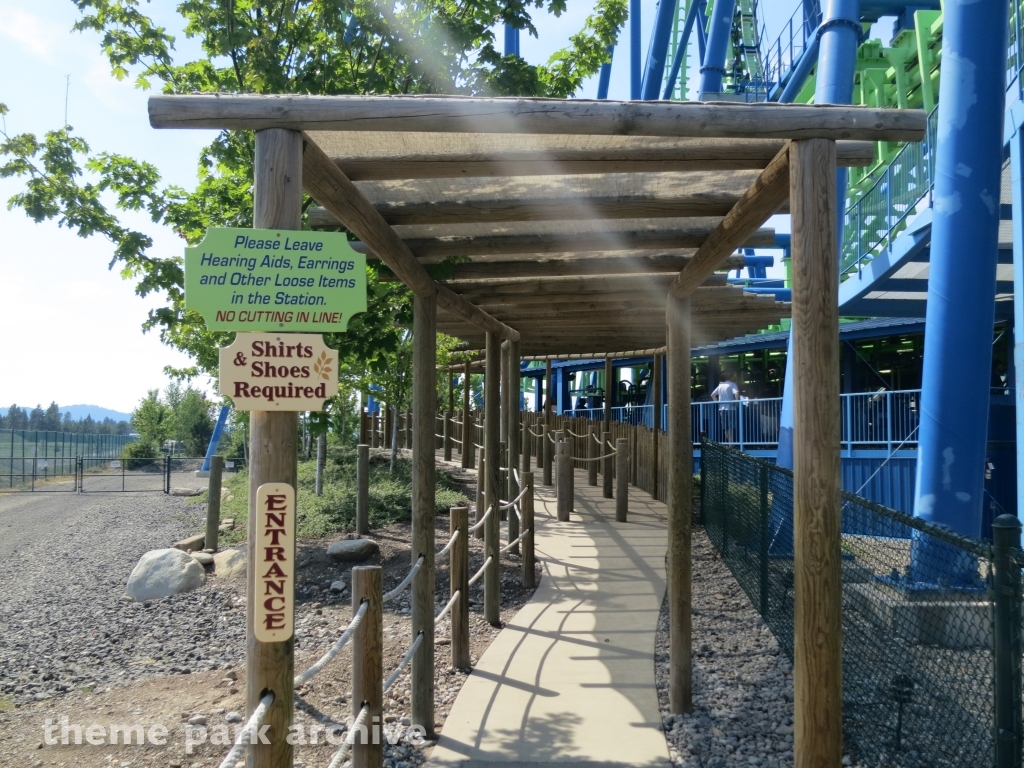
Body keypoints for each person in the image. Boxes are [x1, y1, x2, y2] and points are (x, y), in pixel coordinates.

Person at [711, 372, 740, 442]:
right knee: (731, 427)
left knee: (725, 427)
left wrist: (717, 402)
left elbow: (713, 395)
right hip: (731, 408)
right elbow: (736, 393)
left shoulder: (720, 385)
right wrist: (736, 403)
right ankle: (731, 443)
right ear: (732, 377)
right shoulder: (733, 385)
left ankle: (729, 442)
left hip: (721, 408)